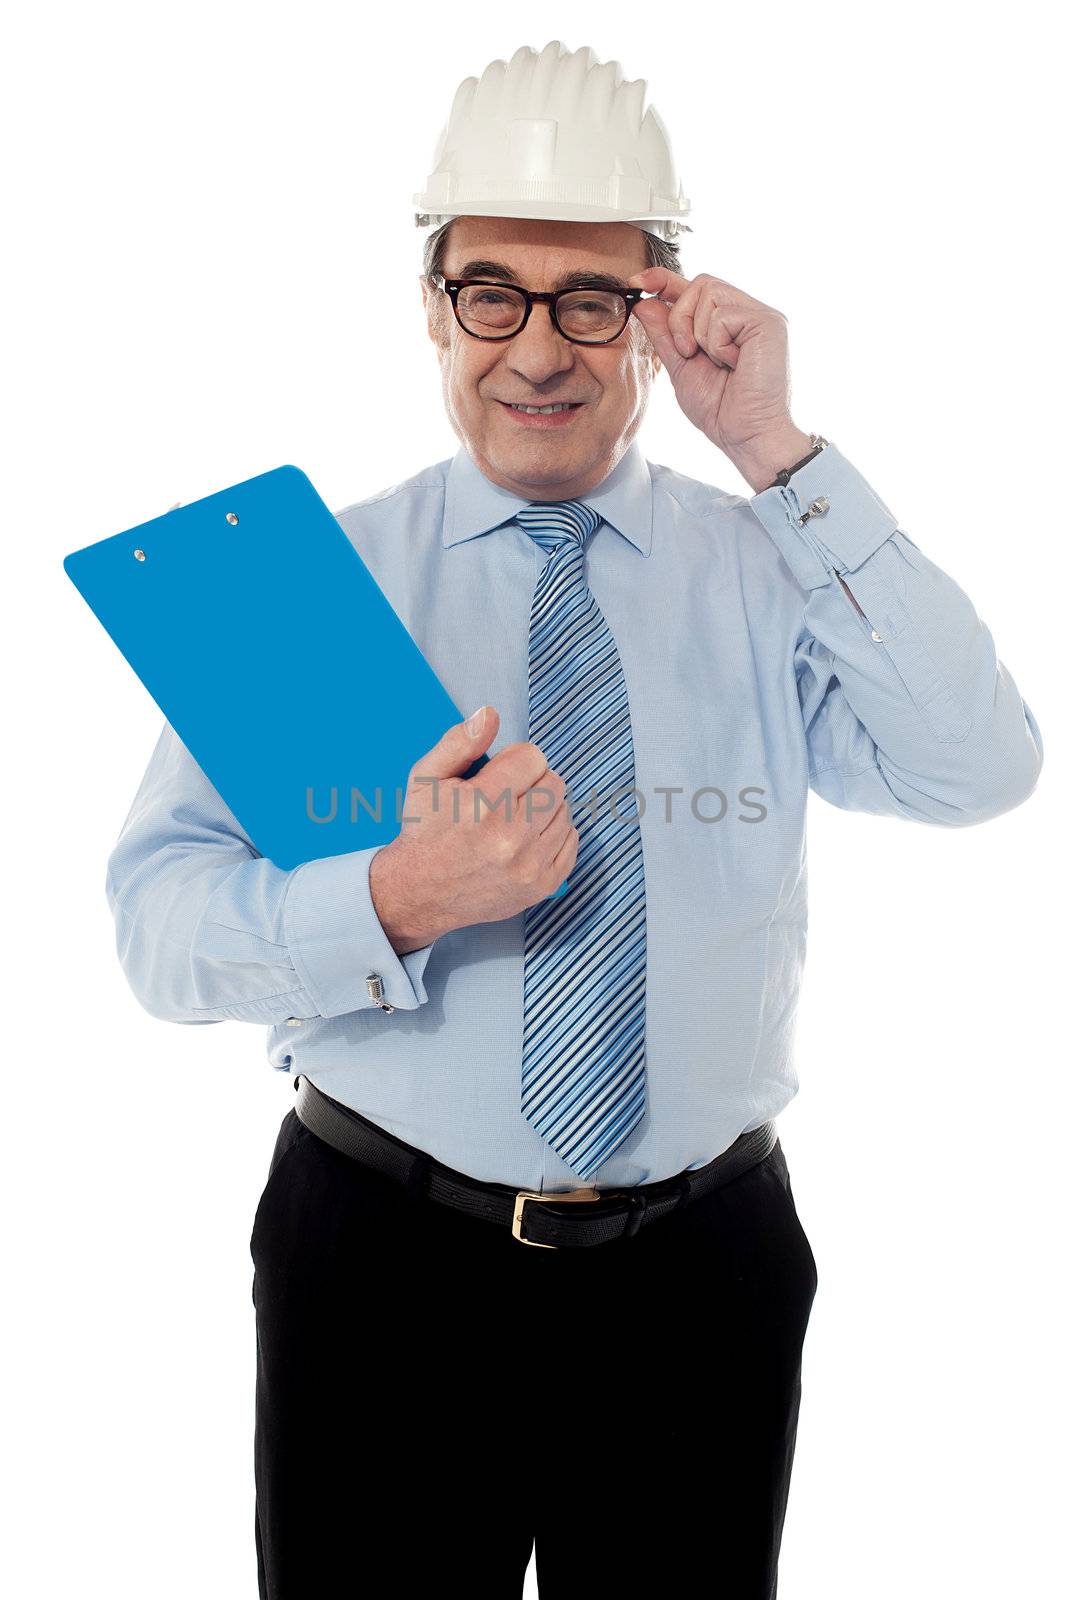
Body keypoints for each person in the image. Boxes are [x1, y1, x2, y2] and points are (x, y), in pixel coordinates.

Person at [103, 39, 1043, 1600]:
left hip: (705, 1270)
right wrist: (391, 897)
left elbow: (979, 767)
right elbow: (157, 934)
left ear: (657, 316)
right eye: (493, 292)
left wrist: (776, 453)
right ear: (431, 304)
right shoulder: (304, 583)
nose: (536, 350)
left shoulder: (765, 562)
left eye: (589, 299)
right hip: (379, 1260)